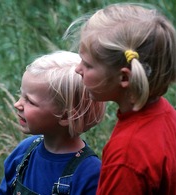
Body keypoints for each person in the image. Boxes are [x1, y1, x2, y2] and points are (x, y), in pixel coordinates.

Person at [65, 3, 176, 195]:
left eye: (88, 65)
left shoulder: (126, 156)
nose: (78, 69)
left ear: (124, 77)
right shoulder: (166, 113)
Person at [0, 51, 105, 195]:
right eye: (21, 95)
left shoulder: (90, 174)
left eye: (30, 101)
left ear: (65, 116)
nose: (17, 104)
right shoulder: (24, 152)